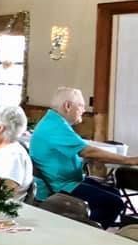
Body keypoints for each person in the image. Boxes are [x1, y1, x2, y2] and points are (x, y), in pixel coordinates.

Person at [30, 86, 138, 227]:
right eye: (81, 106)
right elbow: (87, 151)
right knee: (114, 202)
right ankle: (84, 229)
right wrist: (129, 160)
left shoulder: (55, 121)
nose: (84, 110)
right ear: (68, 106)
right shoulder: (55, 126)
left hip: (66, 181)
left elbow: (79, 153)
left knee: (114, 193)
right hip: (59, 187)